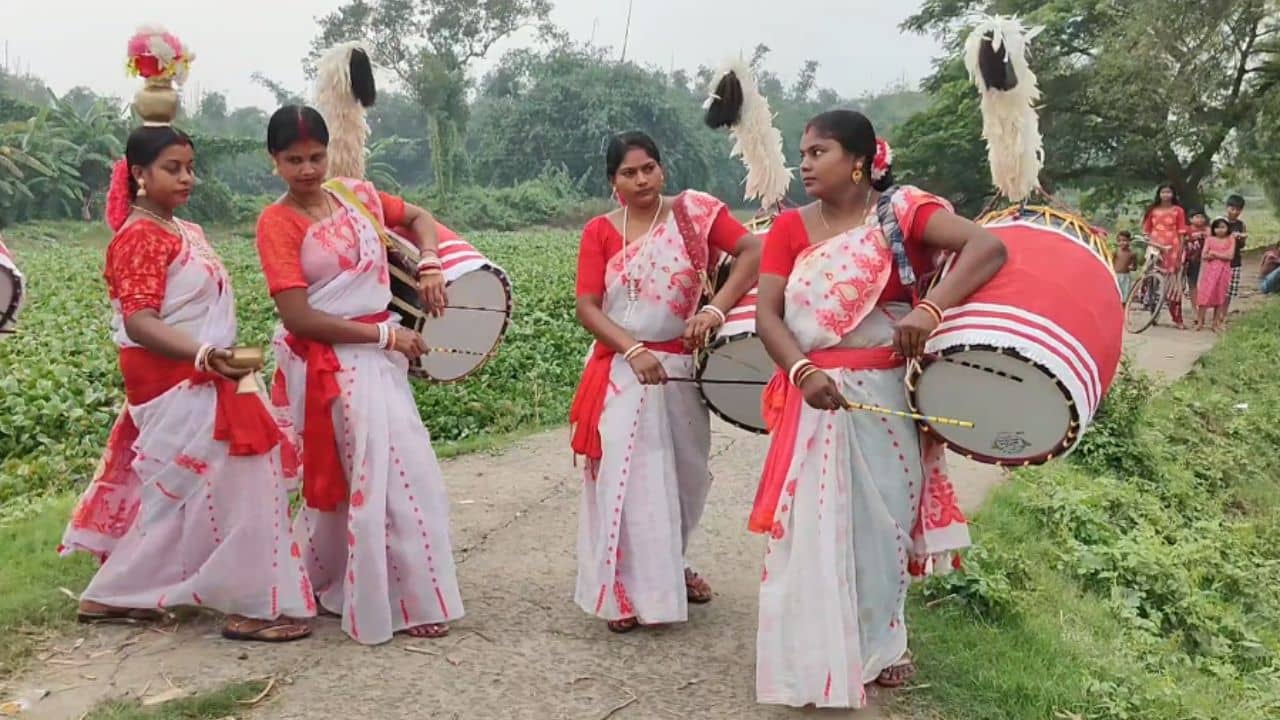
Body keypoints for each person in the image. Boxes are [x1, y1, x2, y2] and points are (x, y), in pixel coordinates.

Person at [751, 110, 1004, 708]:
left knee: (885, 523)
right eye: (803, 153)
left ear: (861, 159)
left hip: (887, 398)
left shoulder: (903, 213)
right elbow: (769, 316)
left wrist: (931, 309)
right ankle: (813, 649)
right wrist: (804, 370)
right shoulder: (790, 228)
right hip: (816, 395)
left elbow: (987, 247)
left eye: (819, 152)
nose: (805, 164)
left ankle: (884, 642)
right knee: (812, 525)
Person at [58, 124, 313, 643]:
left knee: (198, 495)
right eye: (173, 168)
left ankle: (114, 594)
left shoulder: (185, 231)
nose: (186, 178)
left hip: (220, 372)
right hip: (182, 381)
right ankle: (256, 606)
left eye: (190, 167)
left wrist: (219, 358)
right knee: (243, 483)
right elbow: (139, 320)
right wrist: (203, 354)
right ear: (139, 175)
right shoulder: (139, 237)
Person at [255, 105, 463, 644]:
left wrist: (432, 262)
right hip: (333, 361)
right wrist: (386, 337)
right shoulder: (276, 223)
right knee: (380, 477)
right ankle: (395, 597)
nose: (307, 169)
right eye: (293, 160)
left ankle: (367, 585)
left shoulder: (356, 195)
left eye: (316, 157)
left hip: (380, 358)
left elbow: (417, 217)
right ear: (273, 161)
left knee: (397, 470)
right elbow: (297, 316)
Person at [570, 130, 761, 633]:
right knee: (629, 479)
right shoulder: (601, 232)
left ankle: (669, 566)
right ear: (613, 181)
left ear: (663, 169)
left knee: (685, 478)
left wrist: (717, 310)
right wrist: (632, 350)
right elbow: (588, 307)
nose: (641, 179)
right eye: (629, 172)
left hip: (681, 368)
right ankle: (625, 590)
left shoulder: (693, 214)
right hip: (623, 369)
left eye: (648, 168)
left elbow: (752, 253)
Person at [1142, 184, 1188, 328]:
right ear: (1159, 194)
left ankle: (1177, 318)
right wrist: (1149, 243)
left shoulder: (1178, 211)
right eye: (1163, 192)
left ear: (1173, 194)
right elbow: (1146, 231)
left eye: (1169, 192)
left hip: (1172, 248)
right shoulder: (1153, 210)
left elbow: (1181, 233)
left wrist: (1180, 253)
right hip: (1154, 248)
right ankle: (1153, 314)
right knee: (1151, 281)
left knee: (1172, 283)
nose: (1166, 195)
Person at [1195, 218, 1235, 332]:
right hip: (1209, 271)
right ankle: (1200, 321)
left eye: (1223, 227)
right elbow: (1204, 255)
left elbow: (1230, 256)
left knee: (1220, 296)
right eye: (1217, 227)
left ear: (1227, 228)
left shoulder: (1230, 239)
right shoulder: (1210, 239)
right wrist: (1220, 255)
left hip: (1224, 271)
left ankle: (1215, 323)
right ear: (1213, 229)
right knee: (1204, 295)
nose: (1220, 230)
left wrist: (1214, 253)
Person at [1225, 194, 1248, 311]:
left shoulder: (1241, 225)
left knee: (1229, 292)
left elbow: (1243, 245)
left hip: (1235, 260)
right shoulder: (1220, 222)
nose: (1235, 212)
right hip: (1221, 260)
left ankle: (1223, 315)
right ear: (1227, 207)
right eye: (1232, 209)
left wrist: (1241, 239)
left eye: (1238, 209)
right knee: (1219, 290)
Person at [1183, 210, 1207, 302]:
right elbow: (1181, 240)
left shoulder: (1206, 230)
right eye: (1197, 217)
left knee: (1193, 283)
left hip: (1198, 260)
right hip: (1185, 258)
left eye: (1202, 217)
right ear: (1190, 219)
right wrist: (1192, 237)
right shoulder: (1186, 229)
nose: (1200, 219)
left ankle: (1195, 305)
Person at [1113, 230, 1137, 302]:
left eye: (1124, 240)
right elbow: (1110, 262)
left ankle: (1123, 310)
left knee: (1125, 297)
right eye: (1119, 241)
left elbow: (1135, 267)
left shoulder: (1132, 254)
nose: (1122, 243)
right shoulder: (1115, 252)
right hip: (1116, 276)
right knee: (1115, 294)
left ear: (1129, 241)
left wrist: (1132, 267)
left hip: (1126, 277)